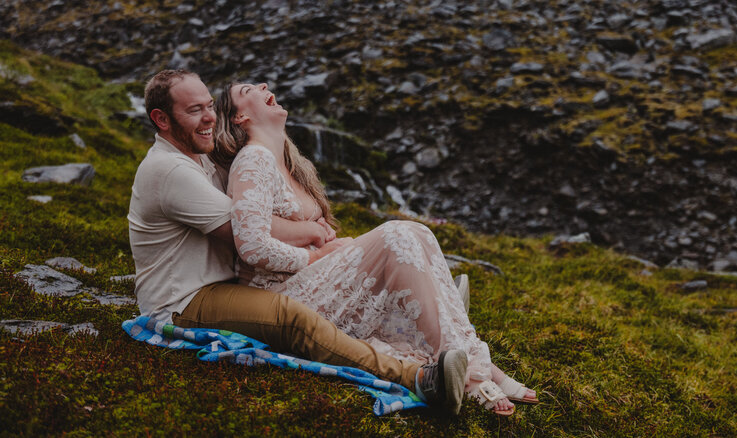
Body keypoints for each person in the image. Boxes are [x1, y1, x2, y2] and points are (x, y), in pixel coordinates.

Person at [127, 69, 468, 415]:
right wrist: (316, 243)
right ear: (162, 119)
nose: (209, 118)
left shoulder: (201, 158)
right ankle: (421, 379)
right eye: (194, 110)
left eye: (210, 106)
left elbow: (257, 218)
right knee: (293, 318)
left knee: (337, 282)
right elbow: (247, 228)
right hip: (183, 301)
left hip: (219, 285)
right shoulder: (170, 171)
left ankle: (427, 312)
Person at [213, 81, 539, 415]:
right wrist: (316, 254)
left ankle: (464, 346)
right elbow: (251, 245)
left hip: (311, 281)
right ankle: (472, 371)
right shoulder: (253, 160)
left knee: (417, 232)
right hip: (283, 294)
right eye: (248, 88)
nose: (264, 85)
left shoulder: (288, 162)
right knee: (396, 235)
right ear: (239, 117)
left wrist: (320, 240)